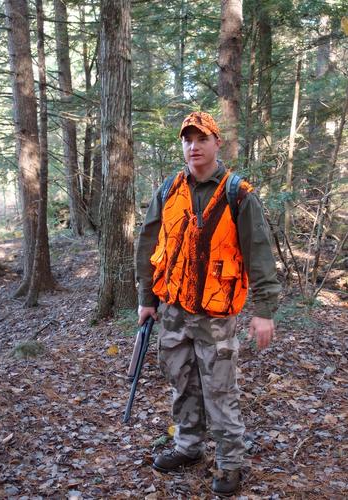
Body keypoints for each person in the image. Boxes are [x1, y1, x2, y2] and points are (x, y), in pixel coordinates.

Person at [135, 111, 280, 497]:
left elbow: (260, 254)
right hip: (172, 312)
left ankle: (230, 462)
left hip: (216, 317)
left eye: (202, 139)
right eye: (187, 139)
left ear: (218, 143)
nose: (194, 146)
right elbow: (149, 245)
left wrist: (264, 311)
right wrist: (146, 299)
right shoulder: (168, 190)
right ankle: (188, 447)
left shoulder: (238, 194)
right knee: (181, 383)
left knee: (220, 390)